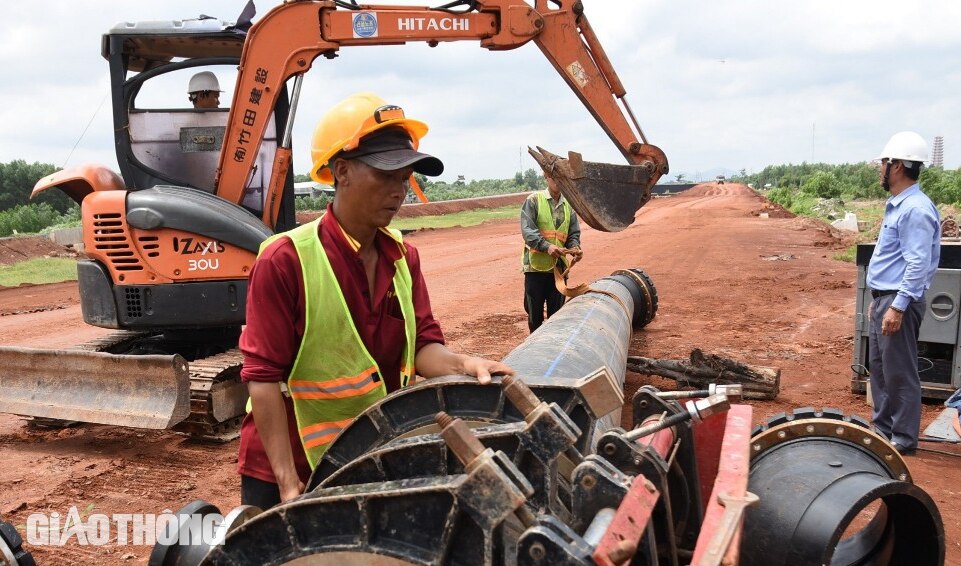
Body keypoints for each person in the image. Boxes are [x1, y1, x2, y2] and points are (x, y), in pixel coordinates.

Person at [237, 92, 513, 508]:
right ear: (342, 171)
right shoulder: (286, 259)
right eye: (386, 175)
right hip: (291, 467)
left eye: (404, 178)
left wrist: (463, 364)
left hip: (367, 458)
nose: (398, 190)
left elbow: (422, 349)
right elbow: (263, 378)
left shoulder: (403, 257)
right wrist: (288, 484)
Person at [867, 131, 940, 456]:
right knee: (881, 370)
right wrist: (879, 301)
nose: (879, 168)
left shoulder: (914, 210)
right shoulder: (899, 205)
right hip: (886, 298)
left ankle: (903, 440)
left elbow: (917, 263)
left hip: (898, 300)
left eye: (883, 162)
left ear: (896, 166)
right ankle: (883, 430)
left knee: (900, 372)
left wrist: (896, 306)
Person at [520, 170, 583, 333]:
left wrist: (575, 247)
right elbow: (528, 231)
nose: (557, 181)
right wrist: (547, 247)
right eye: (553, 177)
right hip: (536, 268)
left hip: (559, 269)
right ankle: (535, 348)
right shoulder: (534, 200)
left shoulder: (569, 205)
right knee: (535, 315)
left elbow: (573, 232)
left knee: (557, 314)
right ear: (546, 178)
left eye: (561, 177)